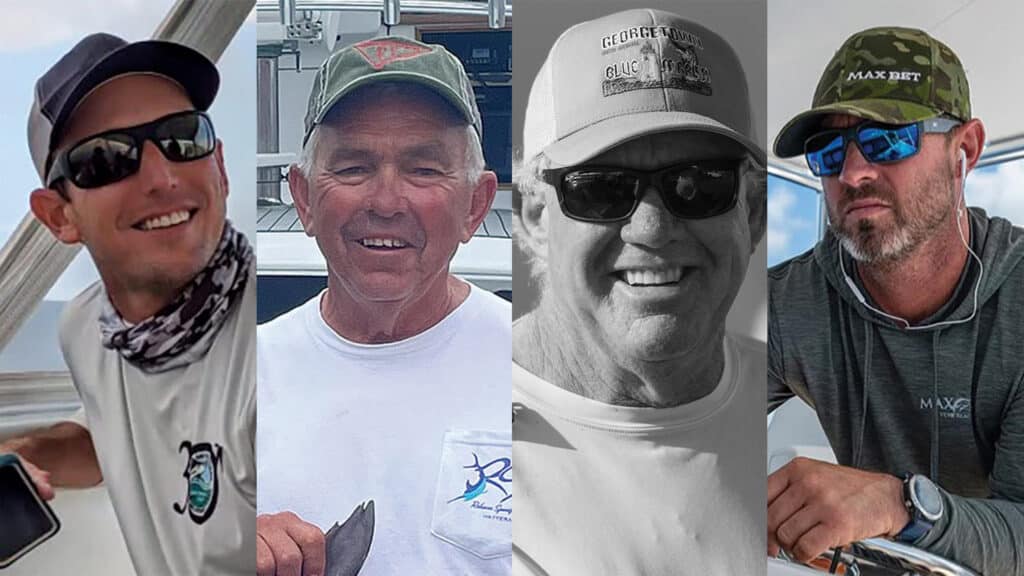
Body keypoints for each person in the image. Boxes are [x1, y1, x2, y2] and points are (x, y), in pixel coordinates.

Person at [512, 9, 767, 575]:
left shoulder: (802, 410)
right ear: (533, 215)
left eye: (698, 185)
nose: (651, 229)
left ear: (752, 212)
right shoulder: (457, 423)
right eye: (600, 190)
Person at [769, 26, 1024, 574]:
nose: (853, 172)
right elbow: (680, 419)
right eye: (829, 151)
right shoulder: (788, 305)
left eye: (889, 138)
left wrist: (898, 505)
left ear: (966, 150)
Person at [0, 33, 256, 574]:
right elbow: (106, 439)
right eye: (107, 158)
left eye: (183, 138)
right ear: (58, 216)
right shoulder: (87, 326)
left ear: (222, 168)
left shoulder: (270, 340)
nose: (163, 177)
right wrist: (27, 455)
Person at [256, 36, 510, 575]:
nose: (387, 202)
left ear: (476, 205)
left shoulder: (547, 374)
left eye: (424, 170)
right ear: (303, 198)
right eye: (352, 168)